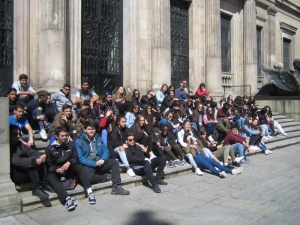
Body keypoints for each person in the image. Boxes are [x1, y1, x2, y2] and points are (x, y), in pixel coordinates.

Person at [46, 126, 96, 211]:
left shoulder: (70, 145)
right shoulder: (50, 148)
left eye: (66, 135)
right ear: (56, 136)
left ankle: (89, 191)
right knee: (50, 176)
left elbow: (75, 157)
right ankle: (66, 199)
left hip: (69, 168)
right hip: (58, 170)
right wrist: (56, 169)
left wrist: (69, 162)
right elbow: (48, 165)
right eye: (62, 136)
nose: (65, 137)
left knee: (79, 167)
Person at [75, 121, 130, 195]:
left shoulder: (98, 138)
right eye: (89, 129)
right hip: (89, 164)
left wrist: (103, 159)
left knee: (114, 162)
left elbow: (106, 150)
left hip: (100, 161)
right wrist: (94, 163)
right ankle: (106, 177)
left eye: (93, 129)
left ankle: (116, 186)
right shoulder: (79, 141)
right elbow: (80, 158)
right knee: (87, 178)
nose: (91, 131)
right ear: (85, 130)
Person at [178, 121, 242, 178]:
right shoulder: (184, 142)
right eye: (186, 124)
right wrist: (189, 143)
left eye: (189, 125)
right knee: (209, 166)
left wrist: (194, 142)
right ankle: (219, 173)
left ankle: (232, 171)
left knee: (216, 163)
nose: (188, 126)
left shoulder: (191, 136)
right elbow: (183, 145)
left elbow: (198, 144)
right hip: (196, 157)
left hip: (200, 154)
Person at [10, 125, 54, 199]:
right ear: (9, 135)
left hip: (25, 172)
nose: (18, 136)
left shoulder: (20, 144)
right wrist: (34, 161)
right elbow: (15, 161)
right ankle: (36, 188)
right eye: (15, 134)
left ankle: (44, 183)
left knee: (41, 158)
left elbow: (31, 152)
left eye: (19, 134)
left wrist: (42, 155)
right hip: (16, 175)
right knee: (32, 162)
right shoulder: (9, 147)